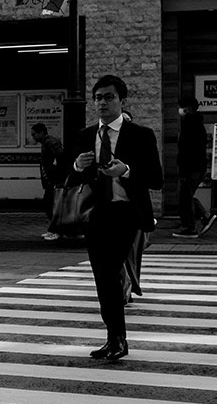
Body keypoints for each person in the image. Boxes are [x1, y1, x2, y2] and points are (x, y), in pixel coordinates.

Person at [66, 75, 163, 362]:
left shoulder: (140, 135)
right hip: (96, 214)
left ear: (121, 101)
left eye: (108, 97)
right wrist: (77, 165)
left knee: (109, 272)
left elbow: (156, 179)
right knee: (102, 278)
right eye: (98, 98)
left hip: (128, 213)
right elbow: (68, 178)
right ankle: (114, 339)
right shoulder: (86, 136)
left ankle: (118, 339)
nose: (102, 103)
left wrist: (127, 170)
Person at [173, 94, 215, 238]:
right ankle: (203, 215)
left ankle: (189, 227)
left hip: (190, 167)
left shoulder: (190, 124)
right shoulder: (196, 123)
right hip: (196, 166)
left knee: (184, 197)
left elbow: (187, 149)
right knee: (185, 195)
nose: (179, 110)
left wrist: (183, 169)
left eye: (181, 108)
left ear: (189, 109)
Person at [32, 122, 65, 241]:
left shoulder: (50, 142)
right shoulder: (46, 143)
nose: (33, 137)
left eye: (34, 134)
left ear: (41, 132)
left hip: (54, 180)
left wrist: (56, 167)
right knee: (50, 204)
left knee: (50, 204)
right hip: (51, 179)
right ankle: (54, 229)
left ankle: (56, 230)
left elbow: (60, 155)